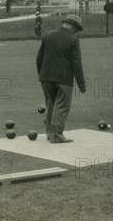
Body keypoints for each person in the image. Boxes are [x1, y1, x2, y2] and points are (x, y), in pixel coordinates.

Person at [36, 13, 86, 143]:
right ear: (73, 26)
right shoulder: (73, 40)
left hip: (46, 77)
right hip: (64, 79)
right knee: (62, 106)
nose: (76, 32)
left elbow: (39, 58)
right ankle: (56, 135)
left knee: (51, 104)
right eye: (76, 29)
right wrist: (82, 85)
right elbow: (77, 64)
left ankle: (49, 132)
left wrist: (42, 75)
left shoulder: (48, 35)